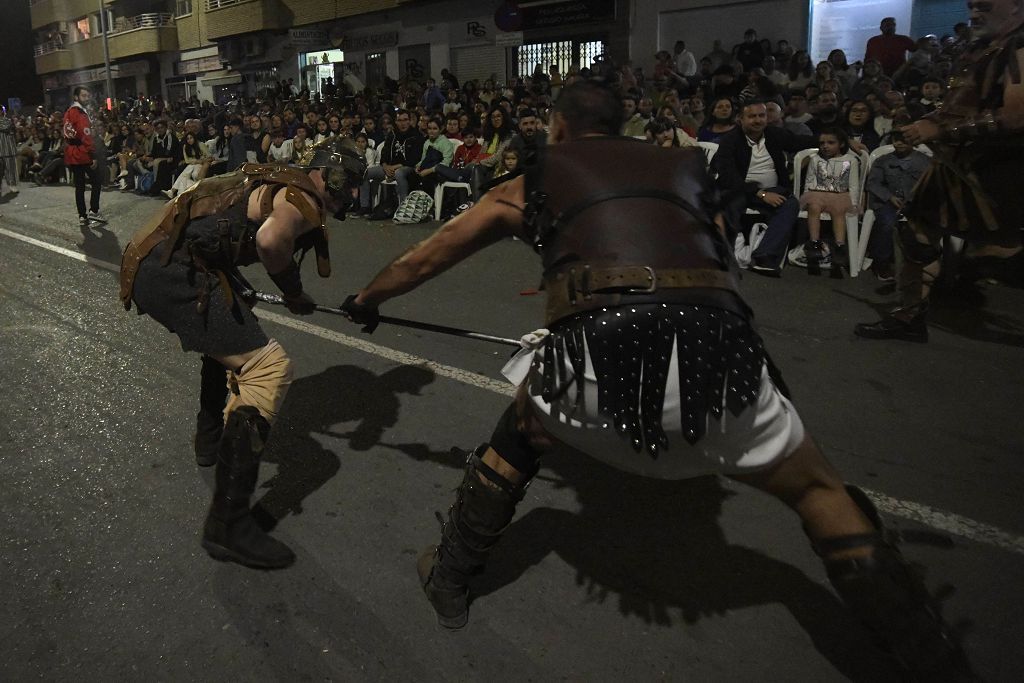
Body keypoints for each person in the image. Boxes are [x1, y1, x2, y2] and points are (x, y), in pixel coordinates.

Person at [337, 82, 973, 680]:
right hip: (717, 357)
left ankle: (450, 576)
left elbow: (428, 254)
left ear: (558, 127)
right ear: (620, 126)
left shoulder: (533, 178)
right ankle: (924, 652)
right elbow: (723, 265)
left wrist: (367, 298)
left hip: (596, 357)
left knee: (523, 429)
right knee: (819, 490)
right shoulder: (690, 170)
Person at [118, 138, 366, 569]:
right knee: (268, 368)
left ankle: (210, 435)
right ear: (330, 174)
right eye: (352, 183)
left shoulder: (284, 177)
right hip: (170, 267)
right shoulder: (302, 198)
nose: (356, 194)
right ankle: (228, 523)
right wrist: (292, 291)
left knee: (233, 329)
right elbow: (272, 241)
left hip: (167, 254)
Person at [856, 0, 1024, 342]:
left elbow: (1015, 117)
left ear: (1016, 6)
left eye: (985, 5)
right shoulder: (980, 49)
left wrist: (941, 131)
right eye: (972, 5)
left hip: (1000, 169)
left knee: (1002, 252)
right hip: (956, 163)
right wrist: (928, 121)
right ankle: (910, 317)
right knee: (916, 232)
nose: (975, 12)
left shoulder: (1019, 47)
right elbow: (958, 108)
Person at [712, 100, 815, 276]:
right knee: (728, 205)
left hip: (772, 190)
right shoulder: (730, 140)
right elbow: (728, 176)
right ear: (740, 119)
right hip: (740, 190)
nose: (758, 120)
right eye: (752, 116)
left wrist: (846, 140)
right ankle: (723, 256)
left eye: (762, 115)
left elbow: (802, 142)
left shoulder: (774, 134)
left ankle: (765, 255)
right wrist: (761, 193)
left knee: (790, 204)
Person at [863, 130, 931, 282]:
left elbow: (930, 184)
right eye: (896, 139)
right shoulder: (882, 161)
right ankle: (882, 262)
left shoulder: (925, 161)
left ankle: (925, 262)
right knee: (886, 223)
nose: (899, 143)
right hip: (888, 201)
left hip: (915, 202)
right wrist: (889, 197)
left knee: (927, 223)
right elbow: (873, 183)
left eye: (904, 140)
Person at [795, 127, 861, 274]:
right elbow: (810, 180)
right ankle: (814, 243)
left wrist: (854, 203)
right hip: (817, 193)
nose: (825, 146)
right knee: (814, 207)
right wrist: (806, 196)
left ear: (842, 144)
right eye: (822, 143)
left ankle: (839, 246)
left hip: (840, 195)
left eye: (831, 142)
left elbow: (854, 185)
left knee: (838, 211)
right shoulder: (815, 160)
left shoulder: (851, 161)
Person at [63, 86, 105, 227]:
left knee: (79, 186)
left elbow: (67, 133)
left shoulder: (68, 112)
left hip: (72, 152)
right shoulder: (80, 113)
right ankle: (94, 210)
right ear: (76, 97)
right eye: (84, 96)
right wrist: (92, 154)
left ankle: (82, 215)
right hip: (82, 153)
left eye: (88, 95)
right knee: (97, 180)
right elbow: (86, 135)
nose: (87, 98)